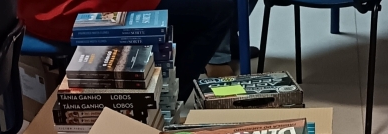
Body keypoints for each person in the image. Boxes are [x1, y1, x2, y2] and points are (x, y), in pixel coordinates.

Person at [17, 0, 234, 102]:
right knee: (221, 8)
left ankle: (160, 95)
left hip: (33, 9)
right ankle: (164, 106)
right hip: (64, 10)